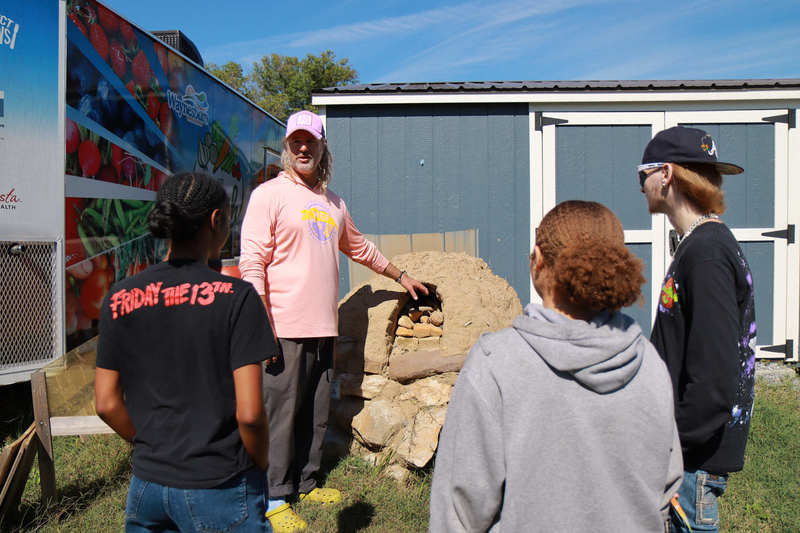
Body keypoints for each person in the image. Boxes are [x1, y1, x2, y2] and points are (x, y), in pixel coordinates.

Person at [429, 200, 683, 532]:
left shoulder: (496, 364)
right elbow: (667, 485)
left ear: (537, 260)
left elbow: (460, 509)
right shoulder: (648, 362)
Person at [239, 110, 428, 532]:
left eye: (311, 141)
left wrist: (401, 277)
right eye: (296, 141)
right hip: (282, 327)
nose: (303, 148)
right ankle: (273, 498)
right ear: (287, 147)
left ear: (323, 147)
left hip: (324, 326)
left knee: (314, 411)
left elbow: (360, 248)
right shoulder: (269, 195)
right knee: (281, 415)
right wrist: (260, 321)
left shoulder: (333, 203)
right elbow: (252, 262)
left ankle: (306, 483)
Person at [95, 172, 279, 532]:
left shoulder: (119, 297)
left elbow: (106, 403)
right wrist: (259, 463)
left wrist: (150, 446)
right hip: (221, 483)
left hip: (147, 486)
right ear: (216, 220)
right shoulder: (238, 298)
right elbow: (250, 414)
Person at [639, 126, 756, 533]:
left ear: (666, 174)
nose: (642, 187)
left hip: (689, 467)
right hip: (687, 461)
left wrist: (670, 448)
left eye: (642, 176)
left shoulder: (707, 252)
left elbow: (714, 379)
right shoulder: (700, 244)